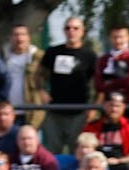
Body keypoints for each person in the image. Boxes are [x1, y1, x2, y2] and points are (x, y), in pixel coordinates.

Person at [37, 17, 100, 153]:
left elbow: (99, 84)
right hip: (54, 112)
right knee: (51, 152)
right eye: (68, 28)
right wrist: (41, 91)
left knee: (78, 152)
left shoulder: (90, 56)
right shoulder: (52, 52)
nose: (71, 31)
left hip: (79, 113)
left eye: (75, 28)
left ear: (83, 31)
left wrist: (94, 107)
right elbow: (39, 74)